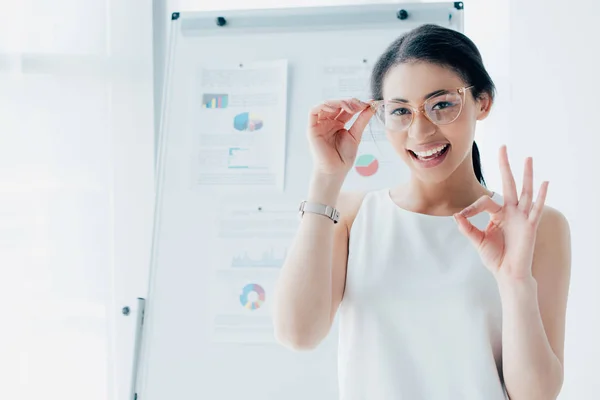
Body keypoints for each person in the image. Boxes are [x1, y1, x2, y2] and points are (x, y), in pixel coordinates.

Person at [272, 24, 571, 400]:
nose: (420, 131)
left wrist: (514, 281)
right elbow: (297, 333)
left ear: (483, 102)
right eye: (400, 111)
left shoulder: (537, 226)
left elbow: (536, 395)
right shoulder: (349, 214)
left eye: (442, 104)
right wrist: (326, 178)